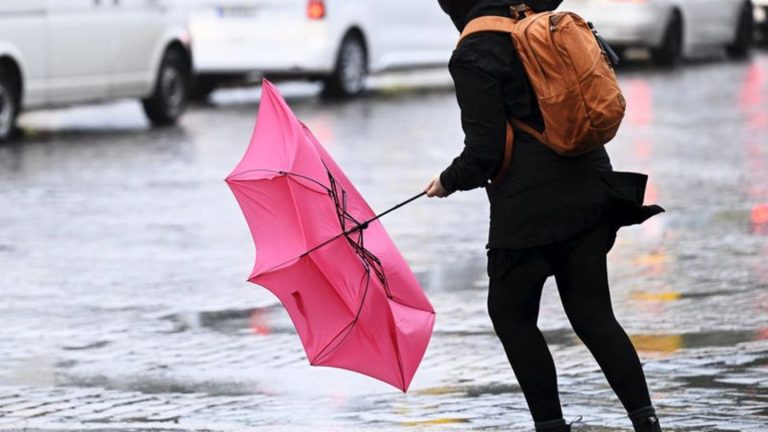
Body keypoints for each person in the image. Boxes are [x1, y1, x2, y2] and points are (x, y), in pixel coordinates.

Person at [424, 1, 666, 431]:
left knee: (510, 314)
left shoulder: (474, 51)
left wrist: (447, 180)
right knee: (594, 315)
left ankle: (551, 426)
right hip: (591, 184)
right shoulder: (530, 16)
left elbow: (484, 154)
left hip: (530, 206)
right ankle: (647, 423)